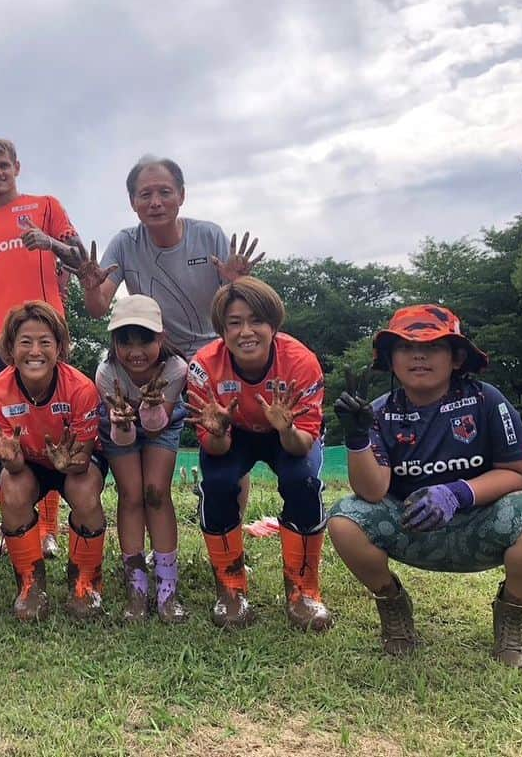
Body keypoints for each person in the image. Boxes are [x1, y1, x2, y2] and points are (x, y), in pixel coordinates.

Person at [328, 305, 522, 668]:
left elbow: (518, 474)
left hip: (480, 524)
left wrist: (457, 493)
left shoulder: (486, 400)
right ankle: (393, 608)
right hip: (413, 527)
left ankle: (514, 618)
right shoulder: (380, 412)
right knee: (344, 518)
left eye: (433, 346)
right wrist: (357, 438)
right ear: (390, 359)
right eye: (405, 347)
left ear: (456, 357)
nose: (418, 355)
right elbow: (373, 492)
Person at [77, 155, 264, 518]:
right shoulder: (125, 243)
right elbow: (100, 306)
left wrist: (237, 281)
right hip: (158, 359)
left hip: (214, 355)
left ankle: (231, 525)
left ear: (182, 194)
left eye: (164, 192)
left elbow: (237, 303)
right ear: (133, 203)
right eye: (145, 194)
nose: (155, 202)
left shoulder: (208, 235)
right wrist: (89, 286)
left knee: (225, 440)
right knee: (149, 435)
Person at [185, 277, 331, 631]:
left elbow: (302, 445)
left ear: (273, 325)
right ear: (221, 330)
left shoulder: (301, 362)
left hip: (288, 435)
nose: (246, 332)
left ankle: (303, 590)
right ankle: (231, 590)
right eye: (234, 323)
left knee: (303, 481)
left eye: (256, 321)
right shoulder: (203, 367)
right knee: (218, 484)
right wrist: (218, 430)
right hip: (235, 434)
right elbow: (213, 447)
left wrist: (284, 428)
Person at [0, 138, 88, 558]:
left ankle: (52, 529)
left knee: (54, 428)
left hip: (44, 336)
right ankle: (19, 525)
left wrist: (51, 244)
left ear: (17, 166)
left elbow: (79, 257)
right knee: (8, 433)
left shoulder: (45, 205)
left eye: (3, 165)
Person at [0, 301, 107, 621]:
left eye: (45, 342)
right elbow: (15, 466)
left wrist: (69, 462)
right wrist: (12, 460)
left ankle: (85, 581)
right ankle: (30, 584)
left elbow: (83, 458)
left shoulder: (81, 389)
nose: (35, 351)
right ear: (10, 348)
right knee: (11, 489)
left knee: (85, 490)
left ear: (60, 348)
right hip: (29, 464)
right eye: (25, 342)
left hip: (73, 464)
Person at [97, 295, 189, 623]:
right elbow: (124, 437)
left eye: (145, 339)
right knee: (132, 494)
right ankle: (136, 586)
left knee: (155, 492)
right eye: (125, 341)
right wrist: (122, 421)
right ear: (114, 342)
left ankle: (167, 587)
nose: (135, 352)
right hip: (118, 427)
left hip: (161, 424)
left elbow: (154, 429)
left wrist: (149, 407)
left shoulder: (176, 369)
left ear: (161, 338)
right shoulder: (107, 374)